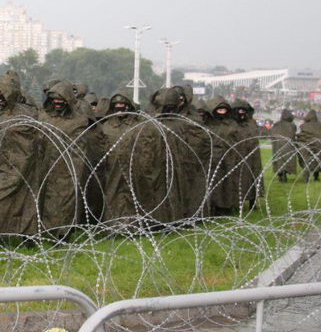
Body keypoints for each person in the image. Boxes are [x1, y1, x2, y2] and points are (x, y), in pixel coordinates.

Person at [0, 72, 42, 241]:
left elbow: (27, 142)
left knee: (1, 200)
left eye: (2, 94)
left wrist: (17, 165)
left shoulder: (25, 113)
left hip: (16, 164)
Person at [38, 81, 98, 238]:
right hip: (44, 165)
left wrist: (74, 172)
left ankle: (62, 233)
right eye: (54, 100)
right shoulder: (43, 117)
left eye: (61, 99)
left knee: (65, 201)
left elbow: (79, 150)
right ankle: (43, 231)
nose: (57, 103)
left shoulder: (79, 121)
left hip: (66, 167)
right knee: (44, 199)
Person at [98, 91, 166, 229]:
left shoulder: (142, 125)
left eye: (123, 105)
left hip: (136, 168)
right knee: (114, 197)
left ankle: (137, 225)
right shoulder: (106, 126)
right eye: (116, 105)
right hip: (112, 169)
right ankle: (115, 225)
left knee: (136, 197)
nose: (120, 108)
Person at [149, 87, 210, 221]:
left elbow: (201, 139)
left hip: (180, 162)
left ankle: (176, 218)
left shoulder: (187, 120)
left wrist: (187, 156)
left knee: (177, 191)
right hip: (158, 162)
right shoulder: (151, 121)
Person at [202, 97, 242, 215]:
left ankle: (225, 207)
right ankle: (211, 206)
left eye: (224, 110)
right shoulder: (208, 124)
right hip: (212, 158)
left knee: (227, 183)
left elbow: (236, 139)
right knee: (211, 182)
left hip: (228, 157)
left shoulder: (231, 124)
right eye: (219, 110)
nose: (222, 113)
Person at [231, 98, 265, 208]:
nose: (241, 112)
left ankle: (253, 201)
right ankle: (236, 202)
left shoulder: (251, 123)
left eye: (243, 110)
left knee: (253, 177)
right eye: (239, 110)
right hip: (237, 154)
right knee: (237, 178)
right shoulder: (232, 124)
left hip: (252, 155)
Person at [296, 109, 321, 182]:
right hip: (319, 144)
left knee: (306, 159)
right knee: (318, 159)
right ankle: (316, 176)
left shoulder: (303, 126)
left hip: (306, 144)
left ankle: (307, 173)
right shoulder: (320, 126)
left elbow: (302, 136)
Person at [269, 109, 298, 182]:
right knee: (287, 159)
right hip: (288, 144)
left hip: (277, 144)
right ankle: (284, 174)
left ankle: (280, 173)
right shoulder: (292, 126)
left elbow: (272, 133)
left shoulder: (277, 124)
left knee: (279, 159)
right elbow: (293, 134)